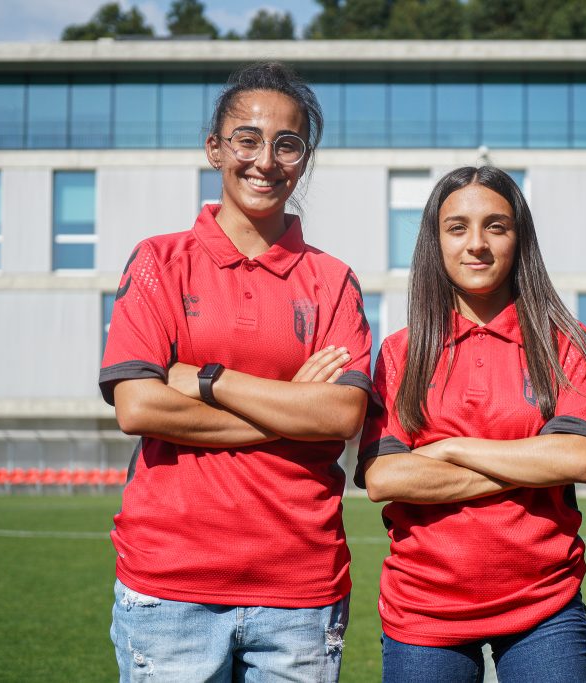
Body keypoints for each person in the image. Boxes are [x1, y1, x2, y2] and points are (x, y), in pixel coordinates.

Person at [98, 62, 371, 682]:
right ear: (215, 148)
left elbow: (342, 416)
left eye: (287, 143)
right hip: (170, 584)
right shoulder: (158, 262)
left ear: (305, 158)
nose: (265, 161)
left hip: (301, 588)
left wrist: (206, 379)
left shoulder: (333, 281)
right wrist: (292, 410)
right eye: (247, 139)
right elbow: (139, 408)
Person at [358, 166, 586, 683]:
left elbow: (576, 459)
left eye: (496, 226)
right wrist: (530, 461)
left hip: (545, 604)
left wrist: (449, 448)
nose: (477, 244)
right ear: (436, 241)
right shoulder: (401, 352)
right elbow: (385, 478)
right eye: (457, 228)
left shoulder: (564, 340)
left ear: (520, 239)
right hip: (423, 611)